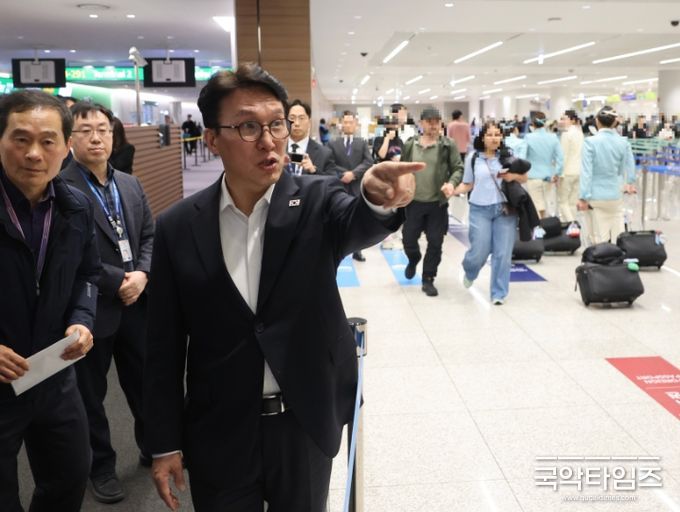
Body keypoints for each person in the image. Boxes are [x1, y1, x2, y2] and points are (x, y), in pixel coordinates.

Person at [142, 63, 423, 512]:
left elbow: (355, 222)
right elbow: (163, 346)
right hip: (220, 430)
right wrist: (163, 442)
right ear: (212, 139)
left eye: (277, 124)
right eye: (248, 127)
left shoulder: (316, 200)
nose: (269, 140)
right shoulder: (178, 227)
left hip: (303, 423)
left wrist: (375, 198)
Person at [0, 90, 101, 512]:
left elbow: (88, 275)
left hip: (52, 370)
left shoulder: (76, 208)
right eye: (21, 139)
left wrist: (82, 320)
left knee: (70, 476)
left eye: (47, 141)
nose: (33, 153)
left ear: (66, 147)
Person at [61, 102, 154, 504]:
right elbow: (70, 256)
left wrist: (143, 274)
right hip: (90, 309)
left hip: (137, 303)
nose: (96, 137)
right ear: (70, 139)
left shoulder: (129, 184)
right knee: (91, 396)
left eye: (103, 129)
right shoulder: (60, 188)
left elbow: (148, 234)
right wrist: (119, 281)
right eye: (86, 130)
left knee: (146, 382)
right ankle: (100, 467)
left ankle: (155, 446)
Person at [450, 121, 528, 305]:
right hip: (480, 210)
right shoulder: (473, 158)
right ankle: (470, 270)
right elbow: (467, 184)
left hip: (505, 210)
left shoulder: (509, 156)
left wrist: (513, 176)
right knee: (479, 251)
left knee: (503, 253)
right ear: (483, 138)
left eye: (497, 135)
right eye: (490, 135)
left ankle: (498, 293)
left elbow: (524, 177)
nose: (494, 138)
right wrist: (452, 190)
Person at [401, 107, 464, 296]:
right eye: (429, 122)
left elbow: (458, 168)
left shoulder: (447, 145)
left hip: (437, 203)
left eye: (437, 122)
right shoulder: (410, 144)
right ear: (421, 123)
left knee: (435, 242)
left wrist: (451, 184)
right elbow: (401, 169)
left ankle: (428, 278)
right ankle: (413, 259)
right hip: (413, 202)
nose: (434, 125)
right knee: (408, 240)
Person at [578, 106, 637, 245]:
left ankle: (601, 256)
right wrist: (629, 183)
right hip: (616, 193)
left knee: (598, 236)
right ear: (615, 122)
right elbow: (629, 166)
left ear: (597, 121)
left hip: (595, 195)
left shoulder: (590, 142)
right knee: (618, 233)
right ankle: (618, 255)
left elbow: (587, 172)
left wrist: (583, 197)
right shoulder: (623, 142)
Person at [328, 110, 375, 261]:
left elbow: (368, 161)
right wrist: (343, 174)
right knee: (337, 217)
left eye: (351, 122)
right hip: (339, 185)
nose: (348, 125)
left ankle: (357, 250)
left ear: (356, 125)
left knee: (358, 218)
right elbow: (329, 163)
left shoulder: (362, 142)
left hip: (356, 186)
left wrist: (353, 174)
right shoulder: (332, 143)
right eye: (346, 122)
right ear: (341, 124)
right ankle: (335, 247)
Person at [524, 112, 563, 218]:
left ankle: (539, 227)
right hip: (549, 177)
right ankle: (548, 226)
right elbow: (560, 158)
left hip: (532, 177)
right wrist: (557, 174)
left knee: (536, 207)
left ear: (532, 123)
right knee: (549, 207)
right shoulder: (553, 137)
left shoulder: (528, 137)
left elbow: (523, 157)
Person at [286, 99, 336, 176]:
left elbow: (332, 181)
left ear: (309, 122)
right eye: (292, 118)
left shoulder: (325, 154)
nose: (296, 123)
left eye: (301, 118)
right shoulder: (276, 150)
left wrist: (313, 171)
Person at [558, 110, 584, 223]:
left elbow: (564, 155)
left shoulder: (566, 134)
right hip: (579, 171)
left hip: (567, 172)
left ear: (572, 120)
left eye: (564, 119)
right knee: (572, 202)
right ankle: (571, 226)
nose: (562, 121)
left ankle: (572, 225)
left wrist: (559, 173)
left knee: (563, 202)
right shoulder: (580, 133)